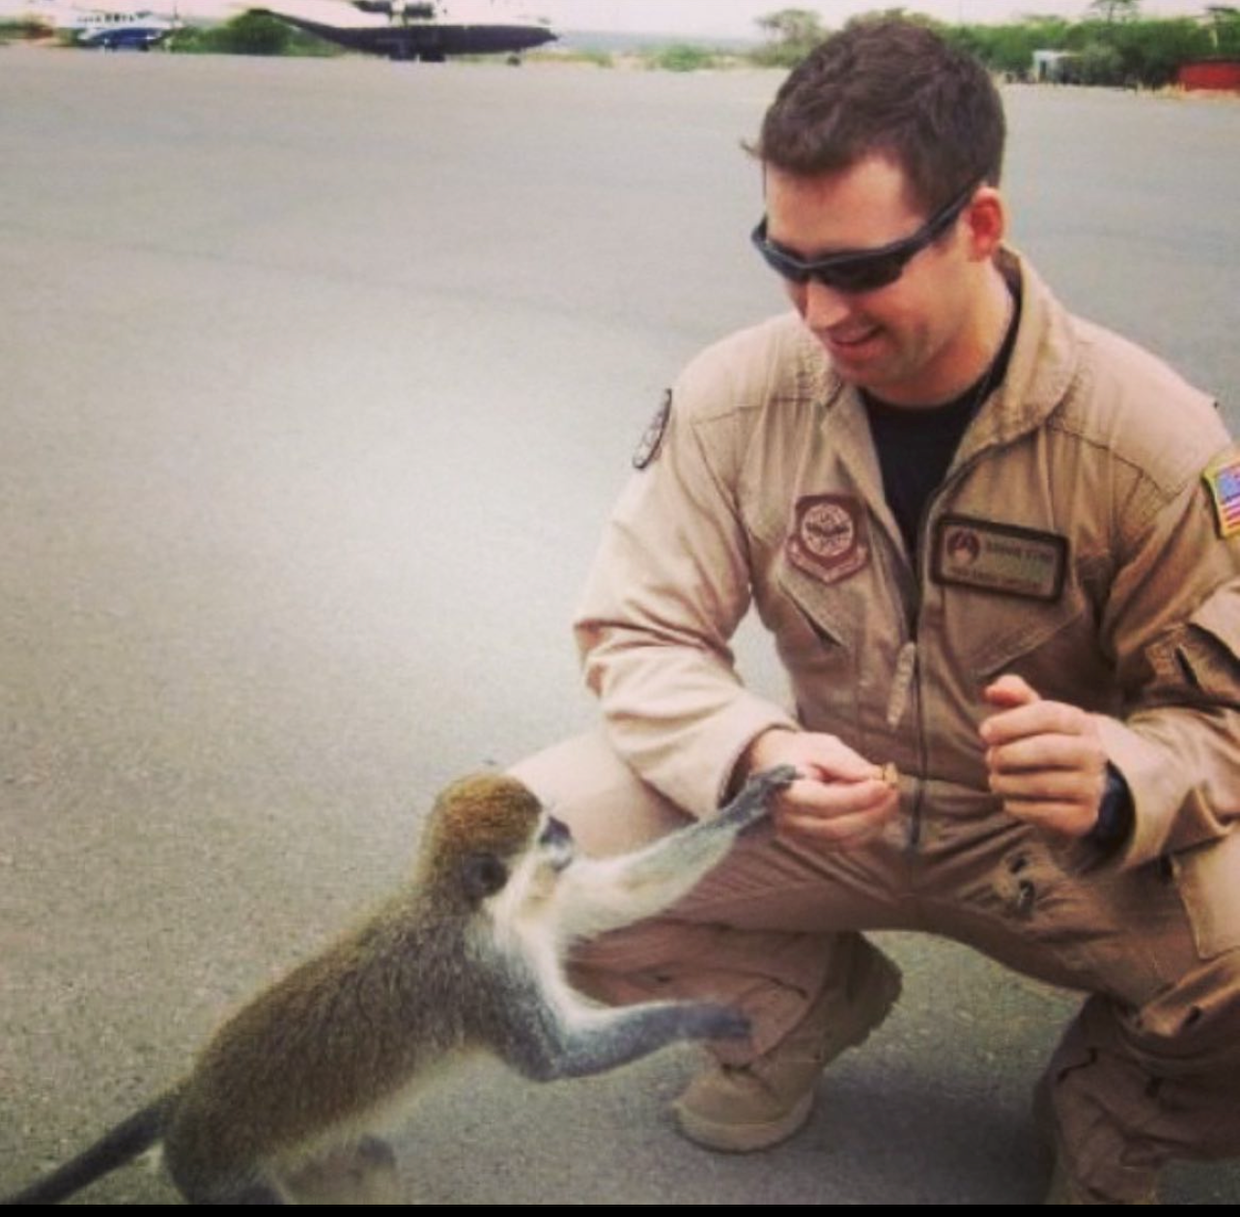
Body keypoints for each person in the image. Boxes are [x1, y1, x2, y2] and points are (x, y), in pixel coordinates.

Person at [512, 17, 1240, 1205]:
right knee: (511, 871)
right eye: (785, 260)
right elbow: (637, 632)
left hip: (1047, 851)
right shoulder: (734, 398)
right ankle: (789, 1005)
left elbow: (1226, 710)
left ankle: (1114, 1105)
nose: (816, 311)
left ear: (978, 228)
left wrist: (1127, 772)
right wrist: (756, 748)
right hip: (822, 812)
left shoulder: (1150, 439)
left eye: (856, 268)